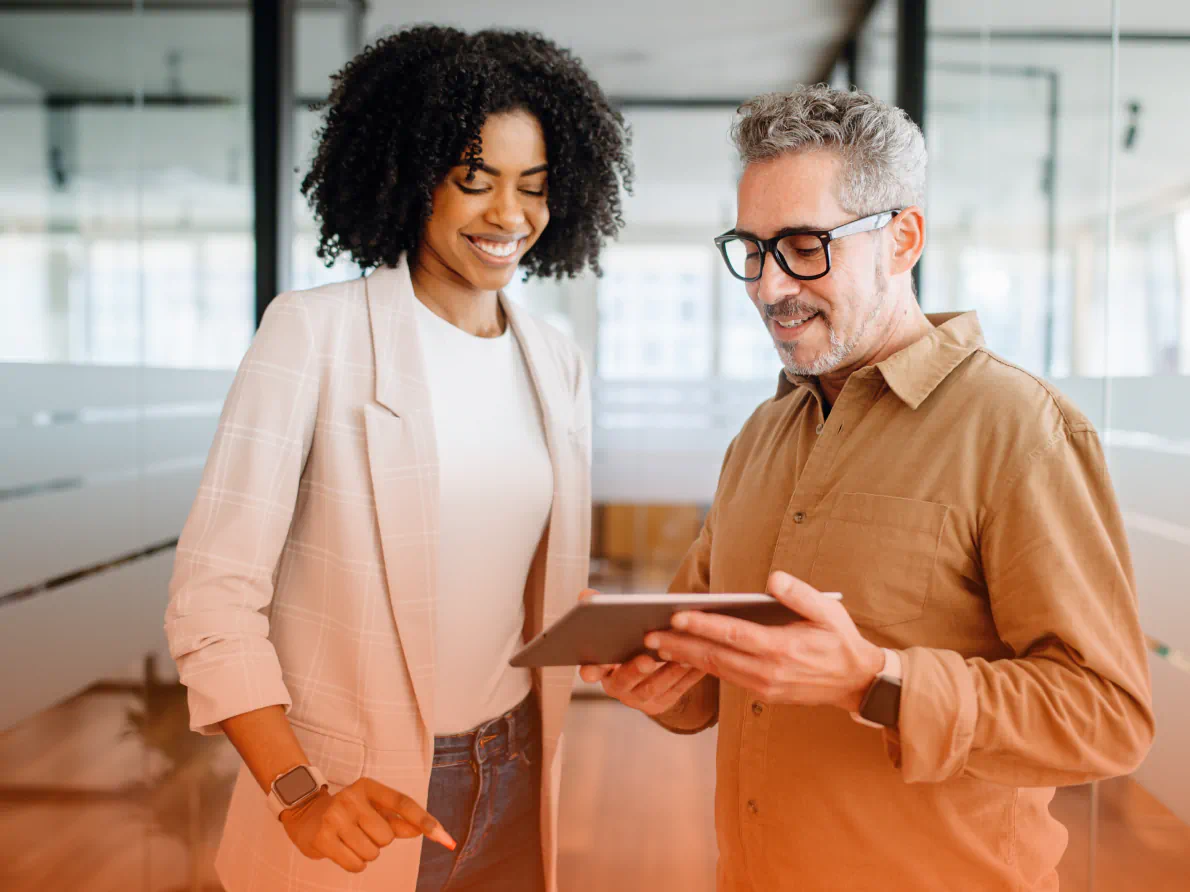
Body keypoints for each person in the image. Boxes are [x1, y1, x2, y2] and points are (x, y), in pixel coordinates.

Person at [582, 85, 1154, 891]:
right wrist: (653, 682)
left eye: (805, 245)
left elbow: (1108, 717)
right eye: (753, 248)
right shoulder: (759, 436)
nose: (768, 287)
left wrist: (874, 682)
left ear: (903, 238)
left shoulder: (1019, 429)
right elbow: (707, 681)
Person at [165, 25, 630, 892]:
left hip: (520, 765)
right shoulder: (313, 333)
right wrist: (297, 793)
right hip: (361, 791)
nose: (509, 216)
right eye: (474, 182)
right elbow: (212, 596)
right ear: (410, 178)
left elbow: (517, 577)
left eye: (533, 188)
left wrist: (600, 627)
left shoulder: (555, 359)